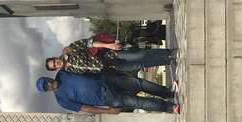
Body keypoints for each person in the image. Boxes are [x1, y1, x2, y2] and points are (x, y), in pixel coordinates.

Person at [35, 71, 178, 114]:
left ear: (48, 77)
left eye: (46, 81)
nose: (48, 84)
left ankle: (169, 93)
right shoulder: (61, 100)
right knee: (138, 102)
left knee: (138, 83)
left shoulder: (62, 73)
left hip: (107, 79)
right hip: (108, 98)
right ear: (48, 91)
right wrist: (108, 111)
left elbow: (71, 57)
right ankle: (169, 107)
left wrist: (66, 50)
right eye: (46, 87)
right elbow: (84, 108)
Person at [45, 36, 176, 75]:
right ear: (56, 69)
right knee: (140, 64)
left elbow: (89, 43)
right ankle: (167, 61)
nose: (57, 63)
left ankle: (169, 52)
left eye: (55, 61)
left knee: (139, 55)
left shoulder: (69, 51)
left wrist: (110, 46)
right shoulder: (69, 72)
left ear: (56, 58)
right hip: (111, 68)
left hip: (110, 55)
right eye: (54, 65)